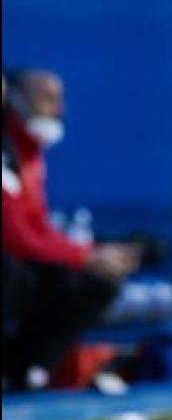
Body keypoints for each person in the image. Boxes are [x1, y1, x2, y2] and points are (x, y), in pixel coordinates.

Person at [1, 70, 139, 391]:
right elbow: (15, 236)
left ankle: (31, 371)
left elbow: (35, 227)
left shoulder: (26, 155)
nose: (58, 108)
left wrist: (90, 254)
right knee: (13, 276)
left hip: (20, 259)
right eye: (46, 98)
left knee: (91, 282)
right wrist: (85, 256)